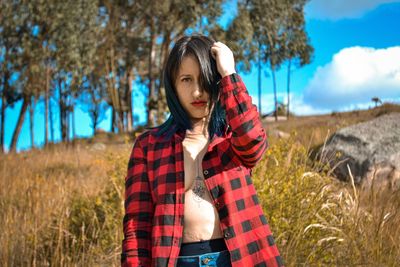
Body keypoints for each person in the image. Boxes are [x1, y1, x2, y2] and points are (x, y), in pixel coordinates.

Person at [121, 35, 283, 267]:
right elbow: (138, 225)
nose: (197, 91)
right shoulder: (148, 147)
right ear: (173, 86)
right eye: (186, 79)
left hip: (238, 258)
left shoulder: (231, 137)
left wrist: (229, 73)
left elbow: (253, 143)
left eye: (205, 78)